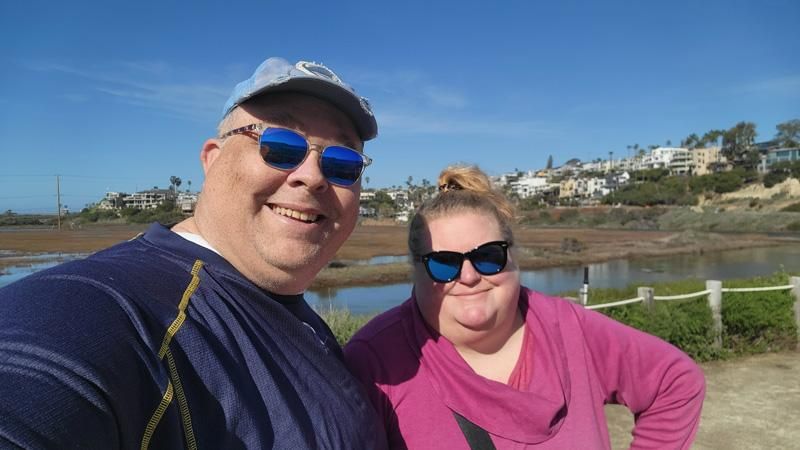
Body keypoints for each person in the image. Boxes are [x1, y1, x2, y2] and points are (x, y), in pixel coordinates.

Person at [0, 57, 387, 449]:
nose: (313, 175)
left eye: (343, 163)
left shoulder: (290, 310)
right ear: (213, 158)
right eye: (281, 146)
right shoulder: (101, 307)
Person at [344, 165, 706, 449]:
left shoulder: (569, 328)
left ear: (513, 256)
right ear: (416, 266)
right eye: (444, 263)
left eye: (488, 257)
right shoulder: (375, 363)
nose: (468, 277)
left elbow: (674, 381)